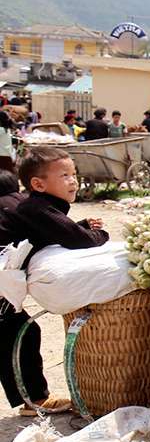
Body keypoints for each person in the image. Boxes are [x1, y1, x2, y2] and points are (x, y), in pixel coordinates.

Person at [0, 169, 71, 417]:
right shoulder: (20, 204)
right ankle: (35, 399)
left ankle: (34, 399)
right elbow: (59, 233)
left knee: (18, 330)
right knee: (21, 332)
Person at [9, 146, 108, 260]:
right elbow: (79, 239)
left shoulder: (39, 204)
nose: (73, 181)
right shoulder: (37, 208)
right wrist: (101, 234)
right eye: (65, 175)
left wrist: (83, 226)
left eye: (74, 174)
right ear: (38, 185)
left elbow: (54, 233)